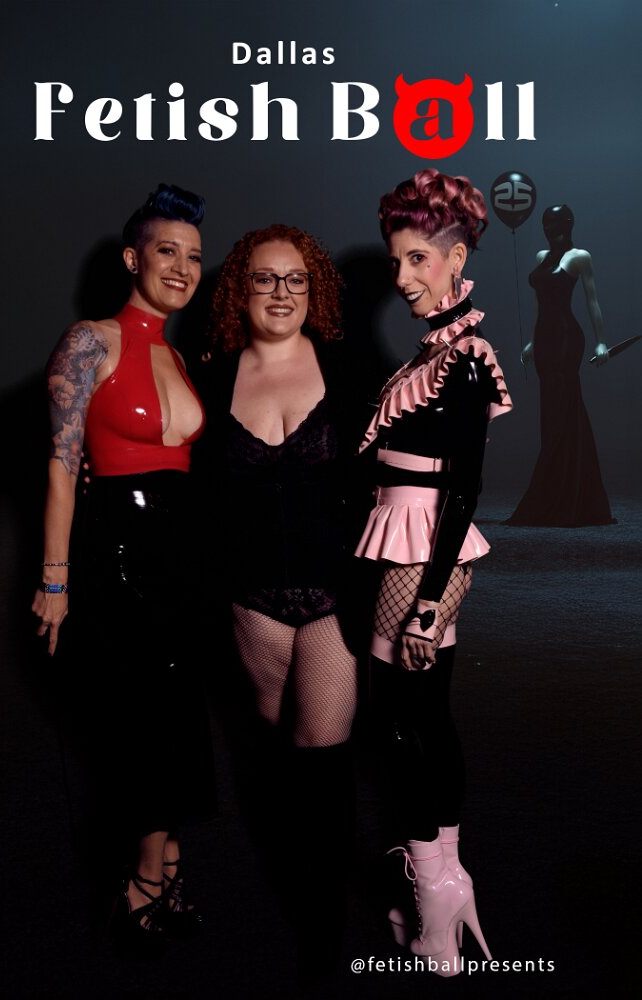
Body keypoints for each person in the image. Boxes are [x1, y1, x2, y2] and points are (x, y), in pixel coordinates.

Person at [31, 183, 215, 950]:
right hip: (117, 551)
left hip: (184, 557)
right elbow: (60, 468)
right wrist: (55, 580)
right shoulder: (91, 340)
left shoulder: (179, 352)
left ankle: (167, 866)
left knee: (178, 710)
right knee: (143, 714)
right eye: (167, 251)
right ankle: (144, 880)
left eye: (194, 256)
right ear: (132, 259)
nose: (182, 268)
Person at [196, 224, 369, 978]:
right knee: (273, 758)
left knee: (322, 761)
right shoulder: (211, 377)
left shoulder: (350, 370)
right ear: (240, 289)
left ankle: (320, 933)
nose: (281, 292)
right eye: (264, 278)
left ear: (314, 289)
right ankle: (285, 885)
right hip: (250, 601)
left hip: (334, 599)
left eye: (296, 279)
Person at [355, 169, 513, 975]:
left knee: (397, 720)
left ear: (457, 259)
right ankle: (447, 883)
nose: (403, 276)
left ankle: (432, 892)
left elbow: (464, 489)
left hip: (421, 549)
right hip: (411, 540)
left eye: (418, 258)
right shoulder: (437, 350)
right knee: (426, 716)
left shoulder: (467, 359)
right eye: (396, 261)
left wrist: (427, 602)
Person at [506, 204, 615, 526]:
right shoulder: (542, 257)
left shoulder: (580, 257)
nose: (549, 229)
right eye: (546, 224)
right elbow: (539, 307)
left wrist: (601, 341)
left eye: (555, 223)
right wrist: (532, 342)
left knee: (564, 409)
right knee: (555, 414)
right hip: (545, 340)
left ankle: (568, 494)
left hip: (567, 339)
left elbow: (592, 300)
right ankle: (562, 490)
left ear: (568, 224)